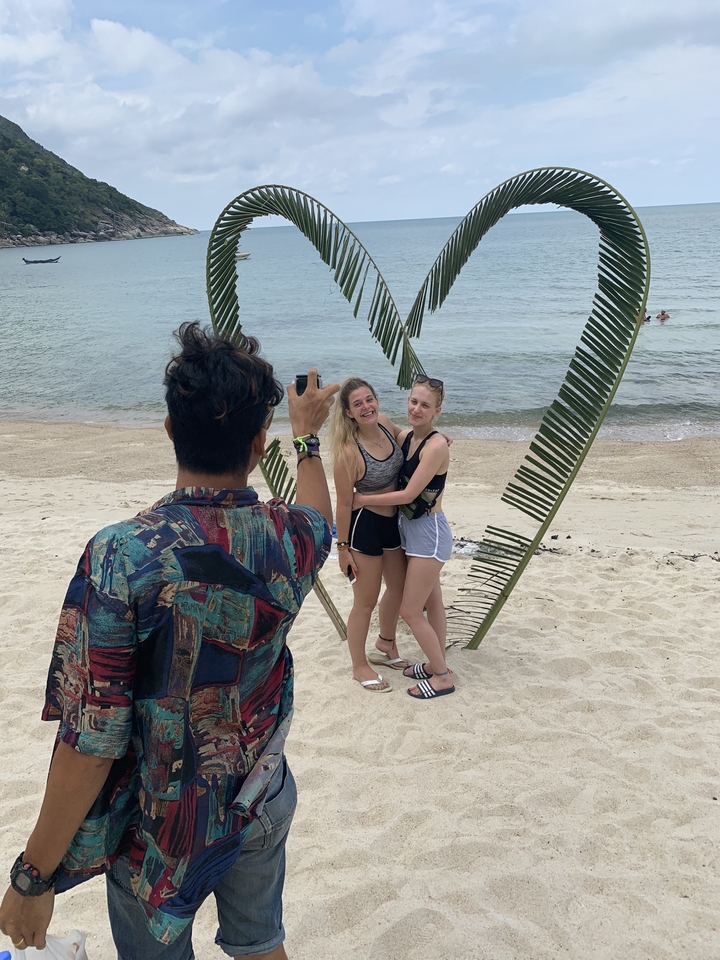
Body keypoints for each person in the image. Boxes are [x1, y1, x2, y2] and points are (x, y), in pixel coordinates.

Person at [0, 322, 340, 960]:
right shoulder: (288, 538)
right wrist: (308, 438)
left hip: (161, 828)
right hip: (260, 793)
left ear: (167, 430)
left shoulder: (121, 556)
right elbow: (324, 519)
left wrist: (33, 876)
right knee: (261, 942)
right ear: (259, 441)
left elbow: (91, 741)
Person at [353, 376, 454, 700]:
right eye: (413, 401)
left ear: (438, 410)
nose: (417, 409)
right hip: (410, 532)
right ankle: (437, 662)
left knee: (411, 611)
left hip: (429, 533)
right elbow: (383, 425)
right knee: (433, 601)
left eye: (425, 405)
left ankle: (441, 677)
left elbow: (410, 492)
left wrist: (363, 499)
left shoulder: (435, 445)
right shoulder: (407, 436)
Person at [330, 378, 409, 692]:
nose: (366, 407)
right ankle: (359, 666)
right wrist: (342, 549)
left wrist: (436, 438)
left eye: (369, 399)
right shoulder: (349, 453)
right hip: (364, 528)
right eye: (358, 404)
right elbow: (344, 504)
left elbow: (410, 437)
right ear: (349, 413)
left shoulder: (387, 424)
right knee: (365, 601)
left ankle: (386, 644)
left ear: (377, 401)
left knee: (400, 588)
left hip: (394, 523)